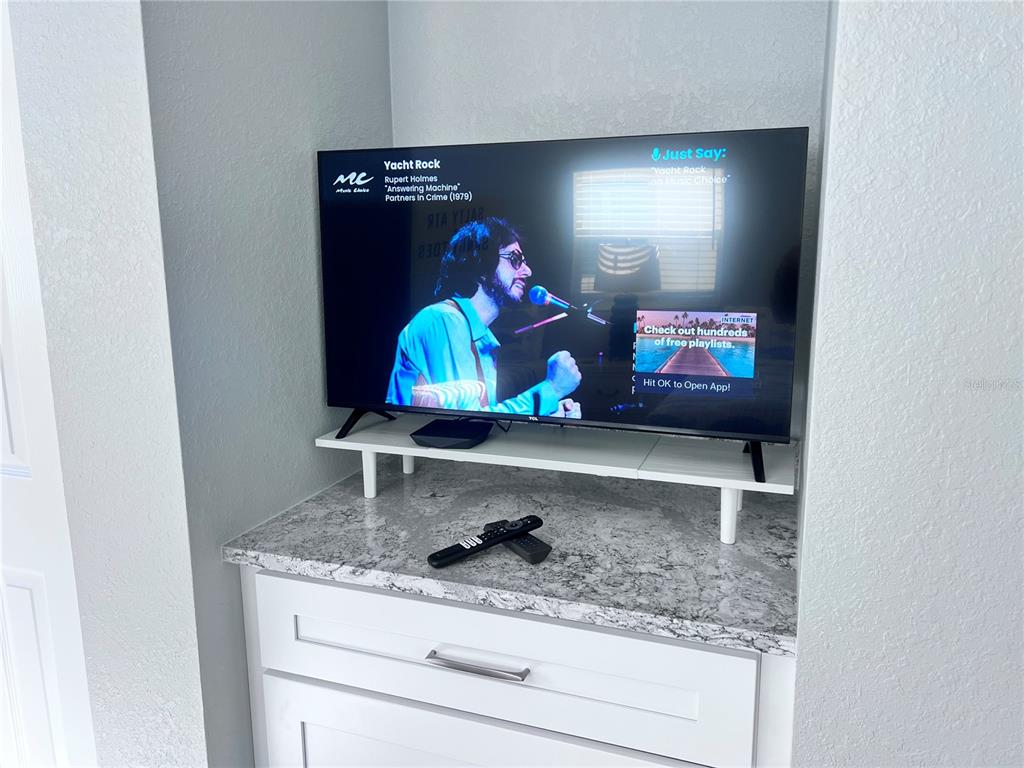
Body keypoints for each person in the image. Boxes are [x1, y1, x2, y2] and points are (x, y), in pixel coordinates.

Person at [386, 217, 582, 417]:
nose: (528, 271)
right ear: (480, 264)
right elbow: (463, 421)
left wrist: (547, 412)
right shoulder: (442, 320)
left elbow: (480, 419)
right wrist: (552, 389)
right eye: (515, 259)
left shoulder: (483, 340)